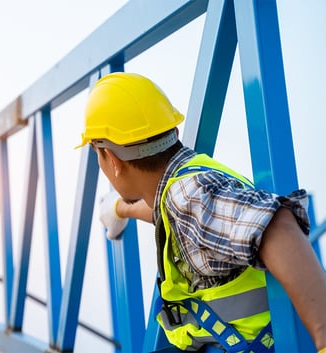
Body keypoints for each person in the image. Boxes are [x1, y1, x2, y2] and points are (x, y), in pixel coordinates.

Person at [76, 72, 326, 352]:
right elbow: (173, 215)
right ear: (173, 132)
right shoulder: (186, 184)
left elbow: (277, 228)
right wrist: (122, 209)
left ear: (112, 159)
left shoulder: (189, 194)